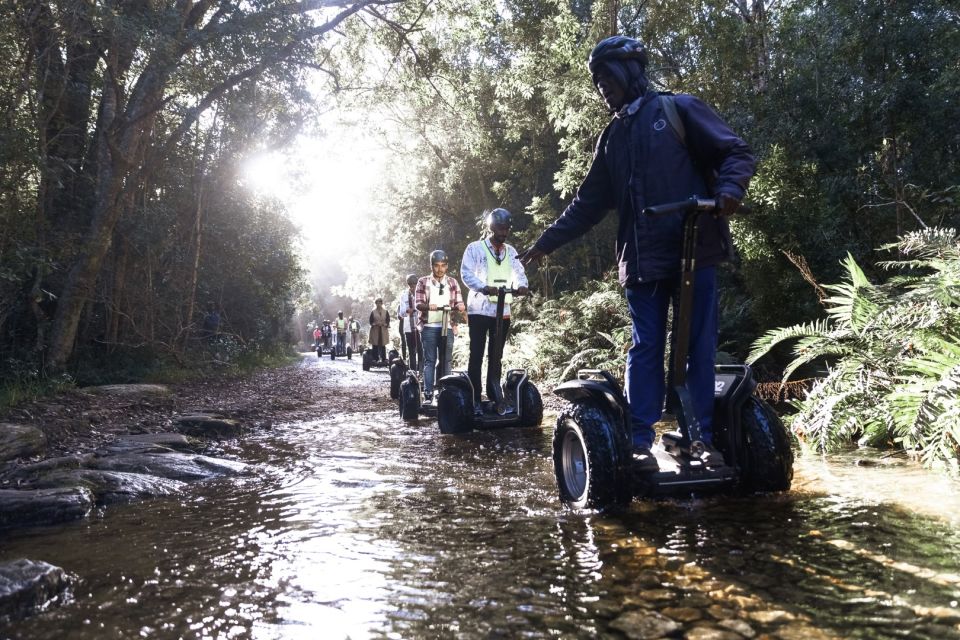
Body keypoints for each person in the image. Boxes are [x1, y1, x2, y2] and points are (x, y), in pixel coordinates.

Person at [520, 35, 756, 469]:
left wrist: (727, 191)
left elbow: (735, 151)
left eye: (607, 77)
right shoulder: (612, 138)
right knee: (646, 345)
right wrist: (545, 243)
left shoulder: (677, 109)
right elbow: (587, 204)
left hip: (694, 249)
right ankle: (639, 439)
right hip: (642, 259)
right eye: (596, 81)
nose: (601, 87)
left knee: (698, 345)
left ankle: (697, 435)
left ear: (630, 72)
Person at [461, 208, 529, 411]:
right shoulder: (475, 248)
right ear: (491, 227)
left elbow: (519, 272)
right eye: (500, 228)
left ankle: (494, 392)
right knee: (477, 353)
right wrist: (483, 287)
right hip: (479, 309)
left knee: (496, 354)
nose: (504, 232)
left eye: (507, 228)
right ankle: (474, 395)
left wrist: (522, 286)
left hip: (502, 310)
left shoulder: (511, 252)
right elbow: (466, 273)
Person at [414, 250, 465, 404]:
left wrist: (461, 306)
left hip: (447, 326)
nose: (440, 269)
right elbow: (418, 304)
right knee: (430, 360)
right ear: (431, 266)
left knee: (446, 360)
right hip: (429, 326)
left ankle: (446, 392)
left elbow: (458, 302)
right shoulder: (423, 282)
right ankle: (428, 393)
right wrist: (429, 306)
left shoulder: (452, 282)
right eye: (436, 265)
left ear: (447, 266)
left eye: (443, 265)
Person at [396, 273, 423, 374]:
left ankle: (422, 371)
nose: (413, 287)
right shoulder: (404, 295)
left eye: (414, 284)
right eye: (410, 285)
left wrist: (416, 309)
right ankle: (413, 372)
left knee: (421, 349)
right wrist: (407, 310)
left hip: (420, 325)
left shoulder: (421, 293)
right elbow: (402, 312)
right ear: (408, 285)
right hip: (408, 325)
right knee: (411, 350)